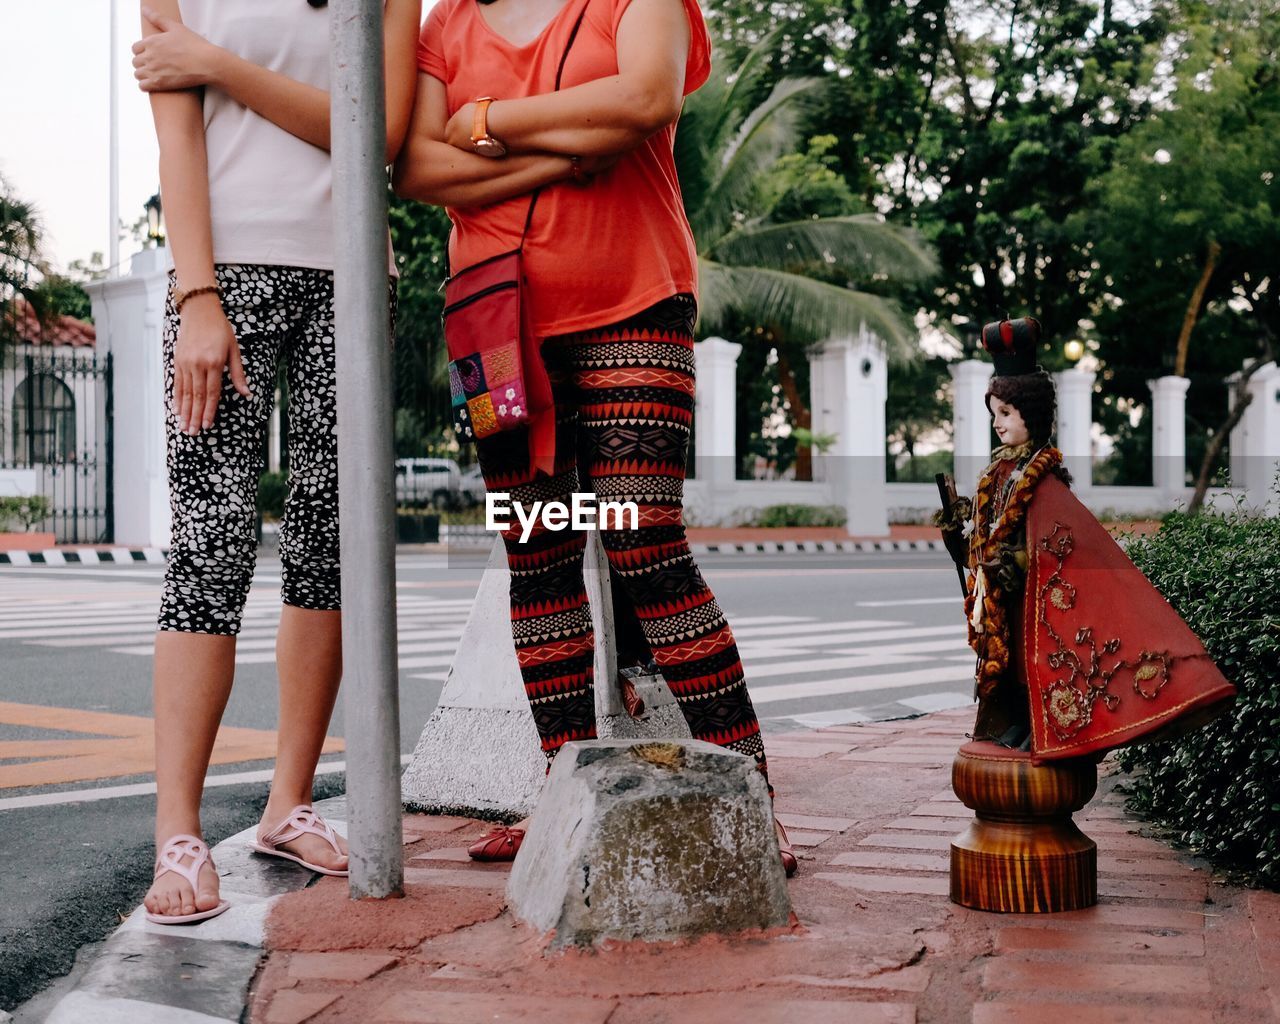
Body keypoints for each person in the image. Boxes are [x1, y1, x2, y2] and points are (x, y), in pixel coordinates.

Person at [394, 0, 796, 874]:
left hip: (632, 299)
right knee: (535, 552)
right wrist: (570, 152)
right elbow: (418, 168)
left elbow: (646, 97)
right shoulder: (444, 25)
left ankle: (754, 799)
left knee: (643, 541)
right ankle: (559, 798)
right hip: (493, 319)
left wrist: (488, 123)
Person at [133, 0, 420, 924]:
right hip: (230, 274)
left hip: (352, 274)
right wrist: (198, 294)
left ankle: (286, 803)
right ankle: (177, 830)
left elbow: (370, 131)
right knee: (209, 543)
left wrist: (214, 60)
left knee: (332, 540)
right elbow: (179, 140)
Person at [937, 317, 1236, 761]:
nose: (997, 424)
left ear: (1031, 415)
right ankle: (1014, 722)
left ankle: (1035, 728)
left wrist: (1017, 563)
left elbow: (1057, 540)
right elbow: (981, 545)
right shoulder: (995, 474)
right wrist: (957, 536)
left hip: (1030, 597)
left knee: (1032, 664)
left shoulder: (1043, 480)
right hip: (1002, 603)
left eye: (1006, 413)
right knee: (1010, 667)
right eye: (993, 414)